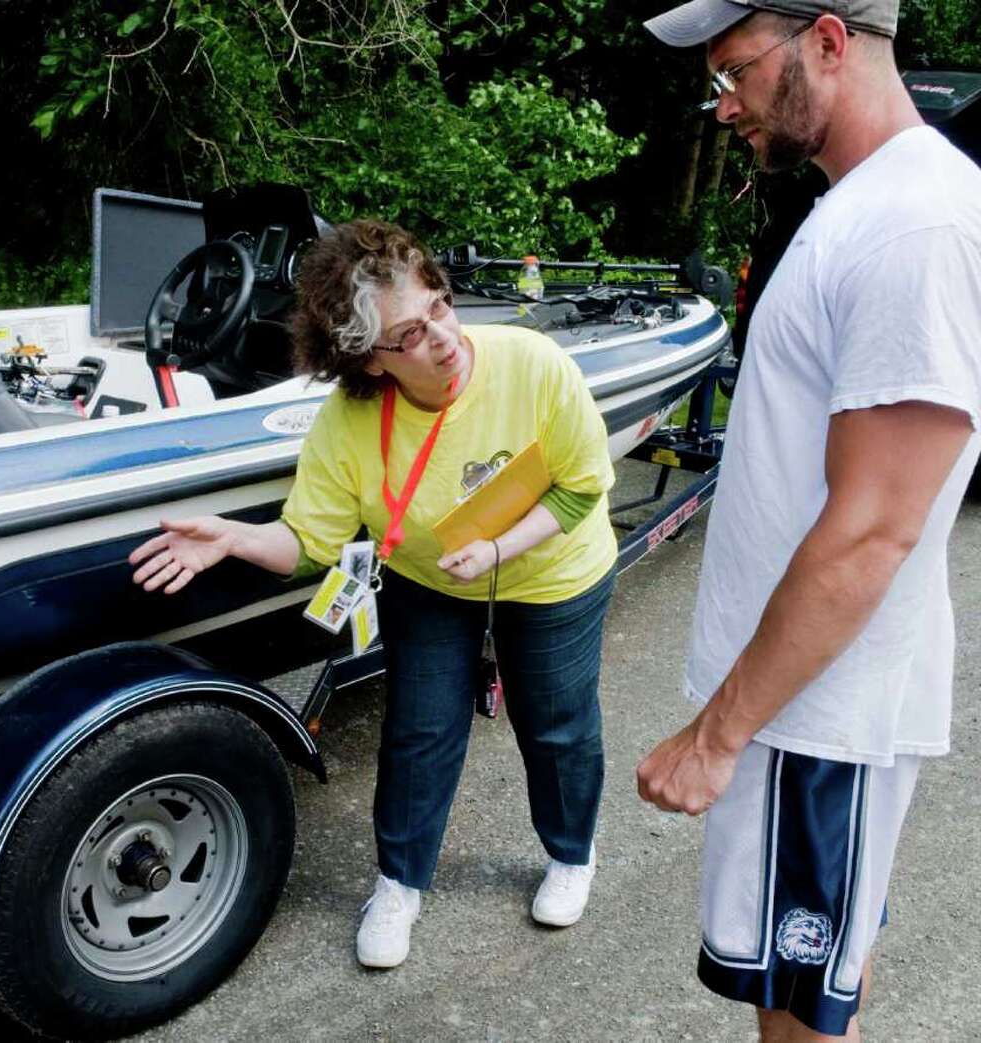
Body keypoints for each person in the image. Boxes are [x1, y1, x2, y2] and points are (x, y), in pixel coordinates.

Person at [130, 219, 619, 969]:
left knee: (556, 724)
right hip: (431, 581)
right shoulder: (349, 422)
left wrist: (497, 546)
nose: (444, 339)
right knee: (420, 731)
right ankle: (399, 881)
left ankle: (569, 852)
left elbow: (583, 490)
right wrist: (233, 536)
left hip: (553, 572)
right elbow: (310, 543)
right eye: (411, 335)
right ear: (369, 357)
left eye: (441, 308)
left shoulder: (535, 365)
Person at [639, 1, 981, 1039]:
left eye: (736, 69)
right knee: (820, 988)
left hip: (814, 721)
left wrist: (719, 731)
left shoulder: (914, 226)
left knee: (794, 1018)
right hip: (809, 709)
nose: (723, 104)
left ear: (830, 41)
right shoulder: (867, 206)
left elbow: (875, 525)